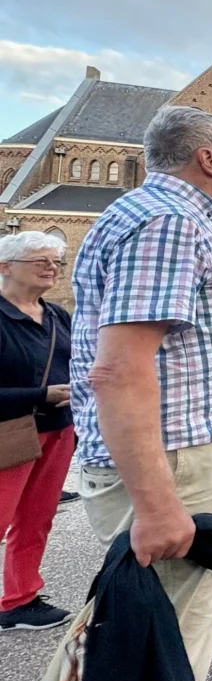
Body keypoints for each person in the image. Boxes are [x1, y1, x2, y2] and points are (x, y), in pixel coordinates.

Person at [70, 106, 212, 681]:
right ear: (208, 159)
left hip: (183, 451)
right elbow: (121, 369)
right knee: (168, 644)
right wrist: (159, 506)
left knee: (165, 635)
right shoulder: (168, 222)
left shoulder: (169, 217)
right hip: (176, 458)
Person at [0, 232, 75, 632]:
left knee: (36, 518)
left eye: (56, 261)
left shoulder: (58, 315)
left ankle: (20, 599)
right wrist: (40, 394)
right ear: (5, 267)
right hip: (9, 433)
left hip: (58, 431)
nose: (51, 267)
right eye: (39, 261)